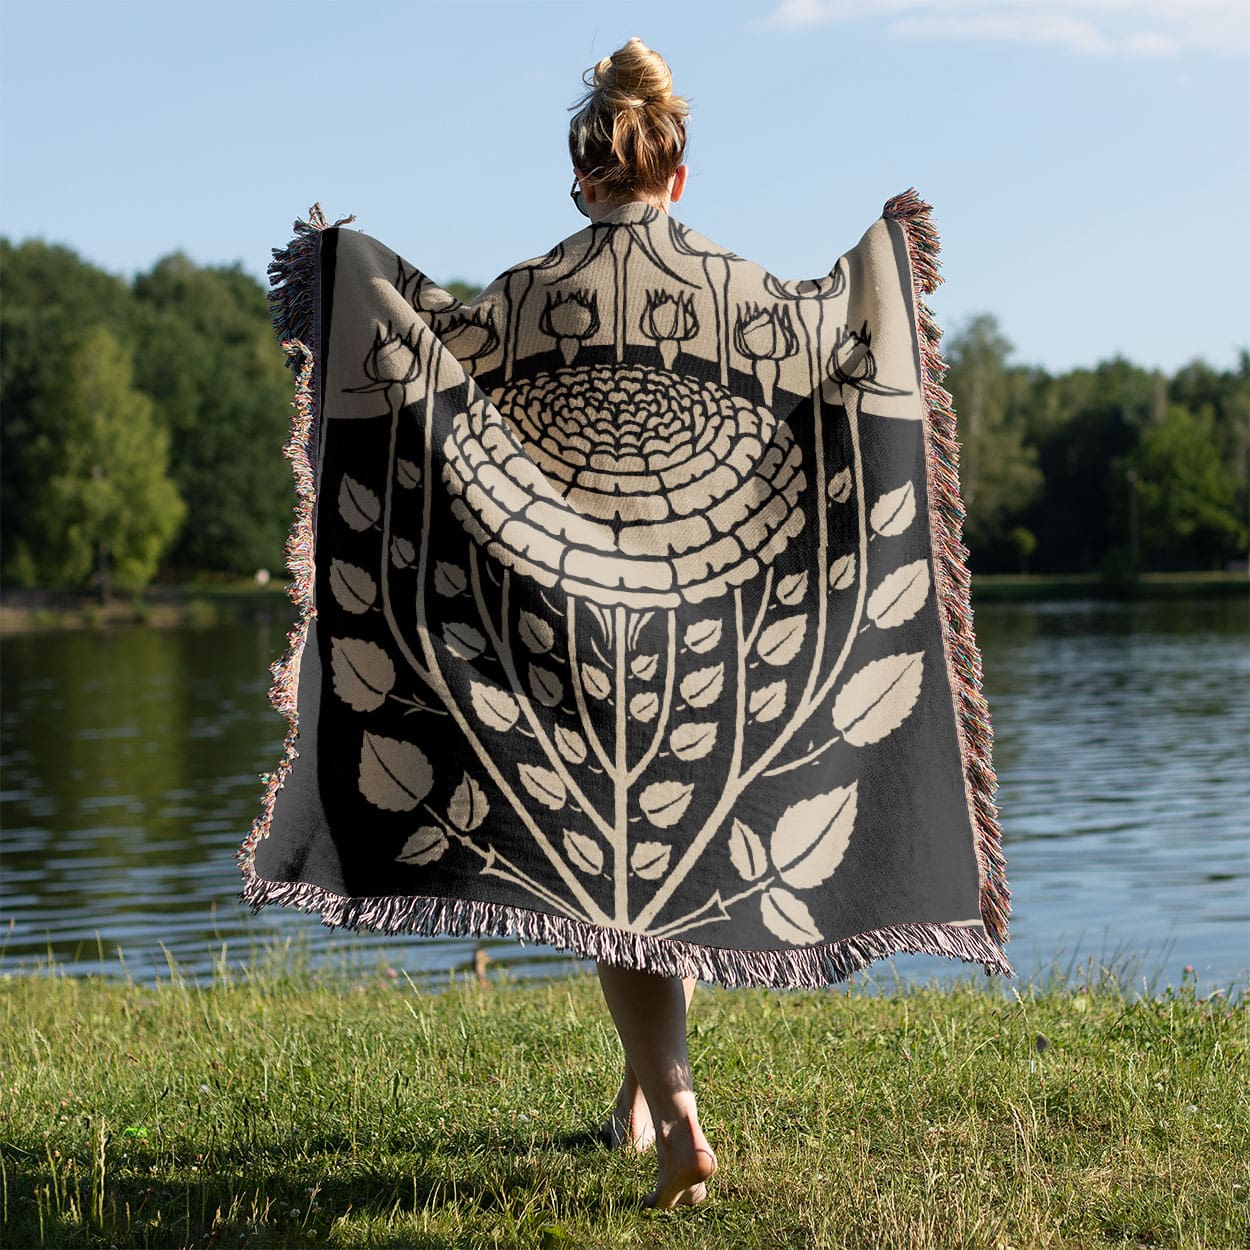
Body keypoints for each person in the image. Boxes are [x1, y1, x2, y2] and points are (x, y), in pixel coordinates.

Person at [567, 37, 717, 1211]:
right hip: (706, 623)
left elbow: (429, 380)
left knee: (611, 881)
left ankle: (675, 1116)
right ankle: (633, 1098)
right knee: (657, 866)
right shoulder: (725, 288)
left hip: (581, 620)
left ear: (584, 180)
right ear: (675, 176)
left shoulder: (537, 290)